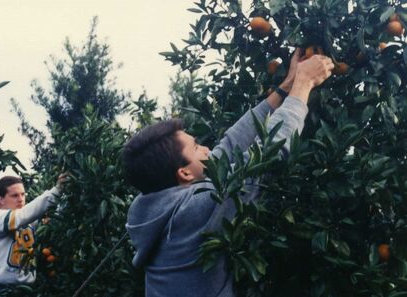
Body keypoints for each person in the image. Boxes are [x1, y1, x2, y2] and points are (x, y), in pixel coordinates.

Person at [123, 49, 335, 297]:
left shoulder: (151, 207)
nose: (207, 148)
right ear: (185, 174)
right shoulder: (193, 212)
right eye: (196, 147)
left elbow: (230, 146)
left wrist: (286, 86)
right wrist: (304, 84)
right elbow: (266, 157)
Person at [0, 175, 65, 297]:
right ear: (1, 199)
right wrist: (56, 190)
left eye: (23, 194)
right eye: (15, 195)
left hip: (23, 292)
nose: (21, 199)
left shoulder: (30, 221)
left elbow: (52, 215)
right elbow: (23, 215)